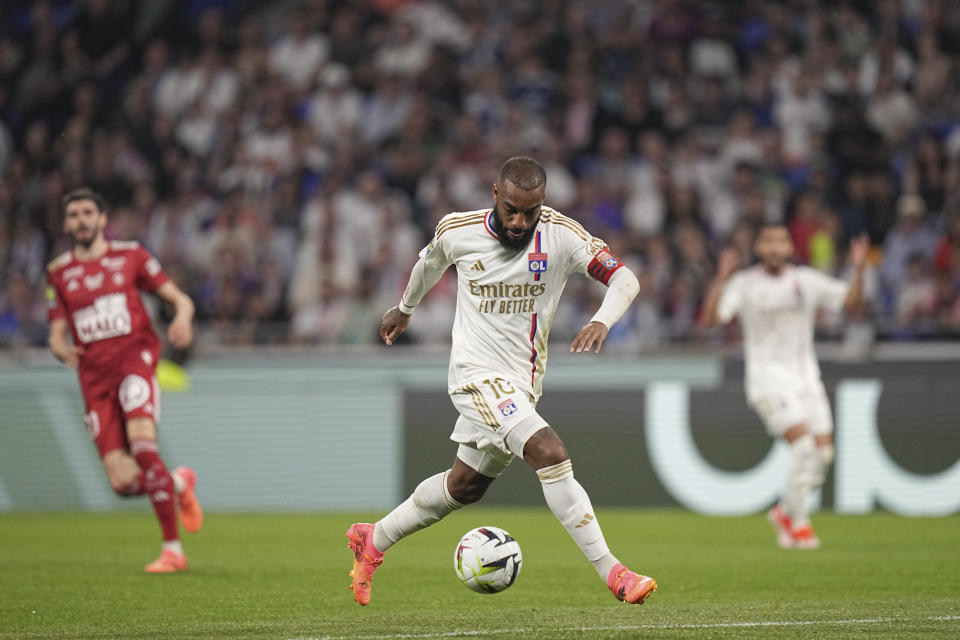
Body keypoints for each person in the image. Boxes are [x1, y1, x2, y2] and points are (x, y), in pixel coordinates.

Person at [345, 157, 656, 606]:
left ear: (542, 204)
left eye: (529, 212)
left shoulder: (562, 236)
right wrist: (406, 308)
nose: (518, 221)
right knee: (548, 451)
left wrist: (602, 320)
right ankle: (615, 573)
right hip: (474, 376)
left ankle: (373, 539)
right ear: (495, 193)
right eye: (511, 208)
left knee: (464, 486)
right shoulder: (458, 230)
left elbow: (625, 278)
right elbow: (429, 265)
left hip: (521, 383)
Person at [46, 188, 203, 572]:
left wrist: (182, 319)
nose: (81, 220)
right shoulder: (58, 272)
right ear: (66, 224)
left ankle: (173, 551)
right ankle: (178, 484)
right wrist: (59, 348)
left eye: (88, 212)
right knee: (121, 482)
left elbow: (181, 299)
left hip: (135, 363)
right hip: (94, 380)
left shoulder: (131, 255)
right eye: (73, 214)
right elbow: (55, 332)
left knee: (144, 448)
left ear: (102, 219)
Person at [701, 224, 869, 549]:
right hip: (767, 378)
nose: (775, 248)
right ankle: (799, 521)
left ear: (790, 248)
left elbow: (849, 303)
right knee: (804, 446)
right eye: (768, 241)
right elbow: (711, 320)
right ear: (759, 248)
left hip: (806, 376)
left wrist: (860, 269)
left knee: (823, 453)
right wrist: (721, 278)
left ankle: (784, 511)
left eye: (781, 241)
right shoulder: (744, 283)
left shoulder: (806, 281)